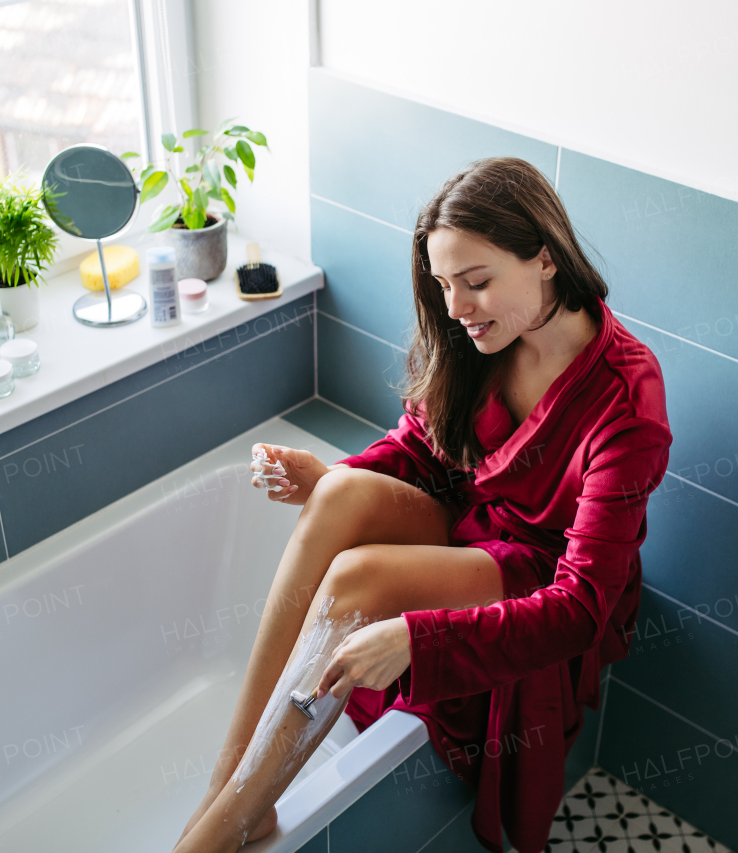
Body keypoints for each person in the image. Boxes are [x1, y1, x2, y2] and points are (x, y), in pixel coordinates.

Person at [172, 157, 672, 853]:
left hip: (540, 575)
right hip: (472, 527)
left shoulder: (627, 399)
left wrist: (418, 637)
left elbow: (583, 606)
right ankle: (233, 786)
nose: (456, 308)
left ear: (547, 260)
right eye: (443, 285)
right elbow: (422, 444)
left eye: (476, 282)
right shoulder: (487, 338)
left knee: (355, 580)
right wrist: (327, 476)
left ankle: (214, 837)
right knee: (344, 489)